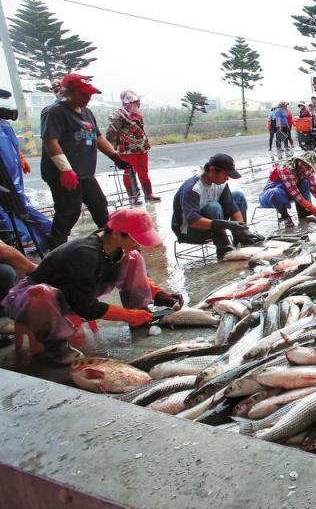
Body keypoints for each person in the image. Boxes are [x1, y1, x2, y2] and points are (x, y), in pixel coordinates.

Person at [0, 208, 183, 364]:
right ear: (118, 233)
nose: (138, 244)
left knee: (134, 258)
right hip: (35, 298)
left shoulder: (116, 245)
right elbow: (85, 307)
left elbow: (139, 276)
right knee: (41, 294)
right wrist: (127, 316)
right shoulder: (84, 254)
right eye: (136, 239)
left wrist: (159, 295)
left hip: (75, 292)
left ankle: (141, 314)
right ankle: (55, 347)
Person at [41, 74, 133, 248]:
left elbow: (98, 138)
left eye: (89, 95)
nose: (87, 98)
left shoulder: (87, 112)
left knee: (99, 205)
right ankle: (56, 247)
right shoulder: (55, 112)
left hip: (84, 173)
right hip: (63, 174)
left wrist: (115, 156)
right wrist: (65, 170)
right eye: (82, 95)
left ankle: (110, 244)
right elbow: (50, 141)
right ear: (68, 92)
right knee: (69, 212)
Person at [171, 153, 260, 259]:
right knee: (214, 207)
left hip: (211, 223)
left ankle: (241, 237)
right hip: (188, 231)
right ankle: (224, 247)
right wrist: (226, 224)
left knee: (238, 196)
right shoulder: (192, 188)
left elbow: (232, 206)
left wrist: (242, 230)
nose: (227, 178)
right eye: (226, 174)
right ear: (212, 170)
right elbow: (193, 220)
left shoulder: (220, 183)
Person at [0, 89, 52, 250]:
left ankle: (29, 238)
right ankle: (42, 234)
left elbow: (10, 157)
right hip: (9, 175)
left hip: (7, 177)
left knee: (15, 202)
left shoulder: (4, 126)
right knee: (16, 203)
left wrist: (19, 158)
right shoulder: (4, 126)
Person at [106, 90, 160, 204]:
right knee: (129, 173)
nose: (139, 102)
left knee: (144, 172)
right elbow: (111, 133)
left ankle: (148, 194)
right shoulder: (120, 115)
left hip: (142, 148)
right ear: (131, 101)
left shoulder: (137, 114)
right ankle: (133, 197)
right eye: (137, 100)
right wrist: (114, 146)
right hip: (128, 151)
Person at [258, 152, 316, 228]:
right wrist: (311, 208)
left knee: (305, 182)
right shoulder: (286, 169)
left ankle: (303, 211)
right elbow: (295, 193)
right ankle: (285, 216)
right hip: (271, 196)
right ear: (299, 161)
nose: (305, 167)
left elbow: (314, 186)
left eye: (308, 166)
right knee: (276, 193)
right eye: (303, 164)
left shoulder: (308, 170)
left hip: (288, 194)